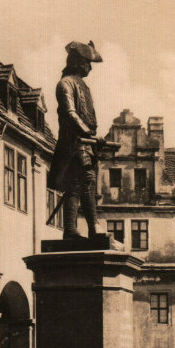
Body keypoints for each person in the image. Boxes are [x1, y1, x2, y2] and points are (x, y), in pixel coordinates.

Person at [48, 40, 103, 239]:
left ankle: (85, 229)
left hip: (86, 144)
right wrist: (87, 133)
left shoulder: (83, 86)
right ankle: (79, 229)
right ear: (78, 62)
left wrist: (94, 138)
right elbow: (70, 113)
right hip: (73, 143)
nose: (90, 67)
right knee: (81, 182)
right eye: (87, 63)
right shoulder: (65, 83)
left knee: (81, 184)